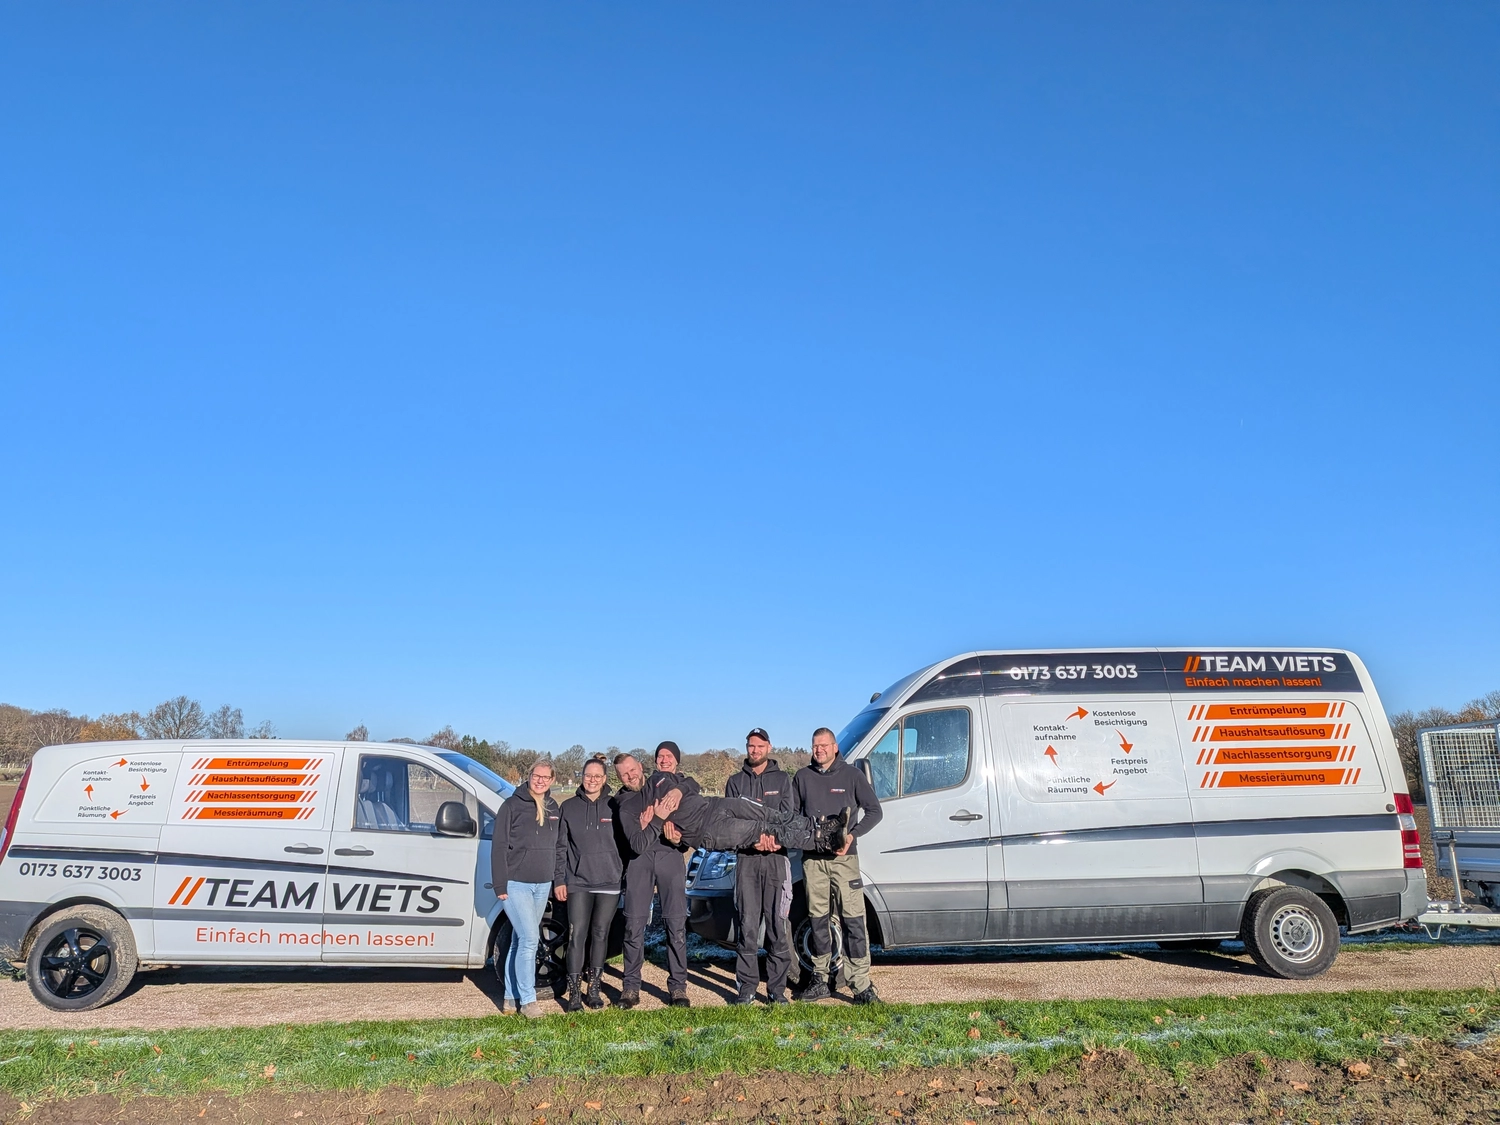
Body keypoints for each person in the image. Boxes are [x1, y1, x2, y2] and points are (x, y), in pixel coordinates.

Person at [792, 727, 884, 1004]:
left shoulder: (852, 775)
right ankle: (819, 979)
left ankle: (861, 984)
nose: (818, 750)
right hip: (813, 862)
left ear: (834, 747)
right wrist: (806, 837)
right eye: (815, 745)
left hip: (845, 860)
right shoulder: (802, 777)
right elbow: (793, 818)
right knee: (818, 921)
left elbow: (875, 811)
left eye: (824, 745)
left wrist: (852, 835)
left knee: (854, 921)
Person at [611, 746, 691, 1008]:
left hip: (670, 859)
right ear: (619, 778)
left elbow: (686, 815)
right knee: (634, 927)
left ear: (642, 768)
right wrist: (658, 819)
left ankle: (678, 988)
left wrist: (680, 840)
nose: (630, 776)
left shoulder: (665, 785)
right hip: (639, 864)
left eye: (633, 770)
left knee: (676, 926)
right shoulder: (624, 804)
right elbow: (636, 844)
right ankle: (630, 988)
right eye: (624, 774)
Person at [724, 728, 794, 1005]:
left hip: (776, 861)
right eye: (750, 746)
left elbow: (789, 818)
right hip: (747, 862)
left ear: (769, 747)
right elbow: (728, 822)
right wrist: (752, 842)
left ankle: (777, 990)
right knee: (748, 926)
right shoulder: (735, 782)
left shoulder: (783, 780)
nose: (754, 750)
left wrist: (775, 842)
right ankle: (747, 988)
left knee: (778, 925)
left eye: (759, 745)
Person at [491, 760, 562, 1017]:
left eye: (546, 777)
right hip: (516, 882)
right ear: (529, 776)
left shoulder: (554, 807)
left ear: (552, 780)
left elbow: (559, 846)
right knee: (531, 939)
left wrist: (557, 879)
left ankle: (511, 998)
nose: (540, 780)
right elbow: (498, 847)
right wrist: (500, 883)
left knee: (519, 941)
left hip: (542, 883)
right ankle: (529, 1001)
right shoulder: (511, 806)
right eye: (536, 775)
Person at [554, 756, 622, 1012]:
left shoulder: (615, 806)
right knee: (577, 935)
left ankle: (593, 988)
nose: (592, 780)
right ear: (581, 776)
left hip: (609, 882)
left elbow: (626, 845)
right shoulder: (568, 807)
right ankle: (573, 993)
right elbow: (561, 847)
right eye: (588, 775)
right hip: (578, 882)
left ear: (604, 779)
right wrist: (560, 880)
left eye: (597, 776)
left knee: (600, 934)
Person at [652, 777, 847, 854]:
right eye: (626, 773)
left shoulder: (660, 780)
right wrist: (675, 839)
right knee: (764, 829)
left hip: (716, 804)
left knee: (771, 815)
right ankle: (823, 841)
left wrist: (679, 789)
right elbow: (657, 837)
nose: (664, 760)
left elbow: (692, 783)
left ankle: (821, 826)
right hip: (709, 830)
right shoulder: (635, 806)